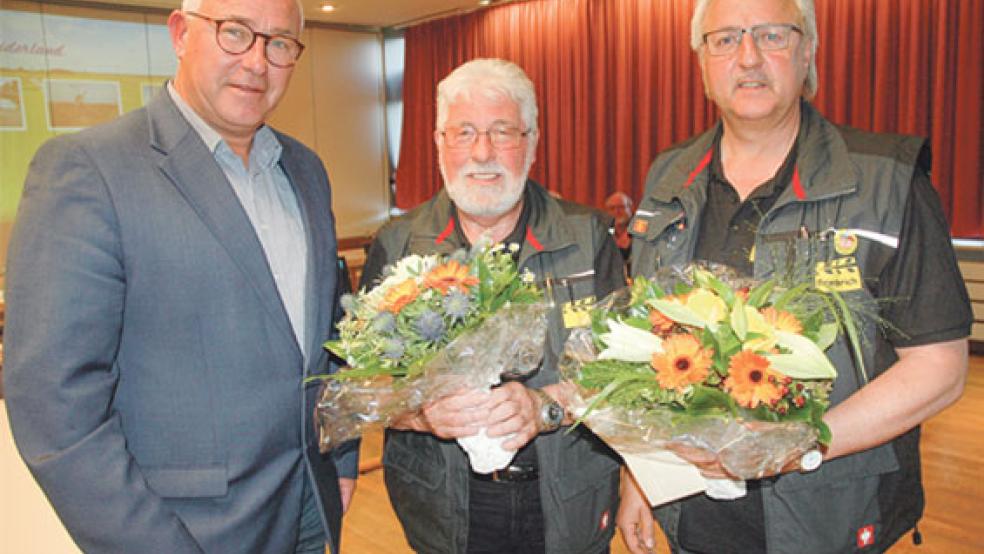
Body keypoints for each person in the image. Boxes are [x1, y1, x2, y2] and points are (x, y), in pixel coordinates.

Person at [2, 0, 357, 552]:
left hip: (312, 508)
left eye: (280, 43)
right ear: (180, 33)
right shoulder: (88, 169)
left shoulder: (306, 170)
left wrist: (344, 457)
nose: (258, 62)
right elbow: (55, 409)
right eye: (235, 33)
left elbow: (333, 337)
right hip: (184, 530)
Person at [618, 0, 972, 553]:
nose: (750, 58)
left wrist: (802, 441)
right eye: (726, 39)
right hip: (693, 520)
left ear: (807, 50)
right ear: (702, 61)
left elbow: (941, 368)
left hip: (833, 517)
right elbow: (651, 350)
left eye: (772, 36)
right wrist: (641, 472)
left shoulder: (885, 180)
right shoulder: (668, 175)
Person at [360, 58, 625, 554]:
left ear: (532, 141)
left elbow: (623, 376)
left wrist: (546, 405)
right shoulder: (398, 246)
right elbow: (363, 388)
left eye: (502, 132)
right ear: (439, 142)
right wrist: (420, 412)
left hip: (570, 499)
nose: (482, 152)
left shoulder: (588, 236)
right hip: (442, 509)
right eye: (463, 132)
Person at [604, 191, 634, 262]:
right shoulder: (603, 234)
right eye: (612, 208)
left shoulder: (639, 232)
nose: (617, 211)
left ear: (631, 208)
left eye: (621, 207)